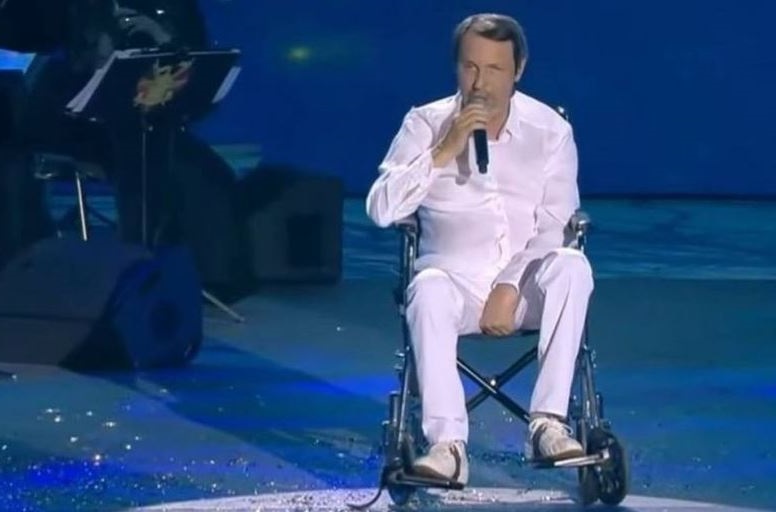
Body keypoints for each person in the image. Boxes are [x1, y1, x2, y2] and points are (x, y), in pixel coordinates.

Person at [365, 13, 594, 485]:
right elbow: (381, 208)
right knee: (427, 288)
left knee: (572, 265)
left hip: (525, 287)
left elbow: (555, 225)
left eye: (494, 69)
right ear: (456, 67)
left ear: (519, 70)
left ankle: (548, 424)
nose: (480, 84)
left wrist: (509, 285)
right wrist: (441, 151)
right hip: (455, 288)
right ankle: (446, 446)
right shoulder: (425, 123)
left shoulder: (550, 130)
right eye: (470, 67)